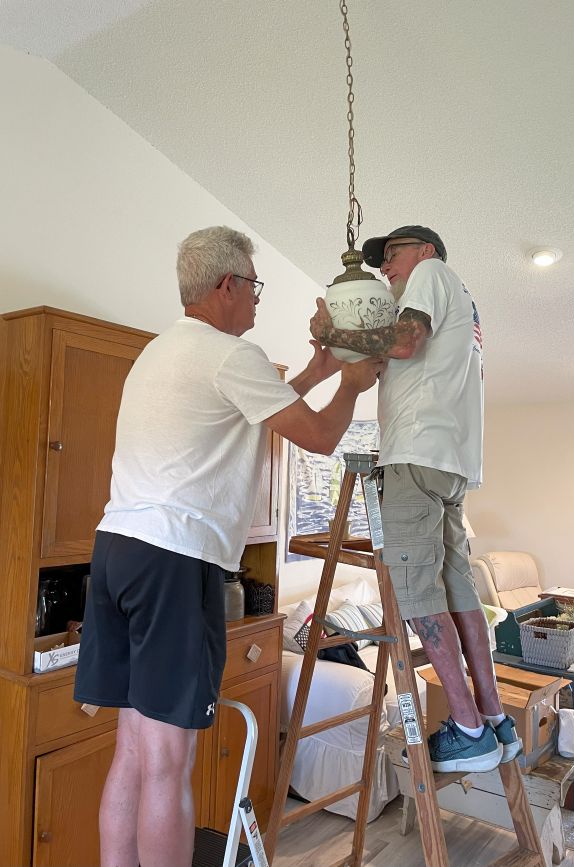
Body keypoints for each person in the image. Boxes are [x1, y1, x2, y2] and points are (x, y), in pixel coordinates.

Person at [73, 225, 384, 867]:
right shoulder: (227, 354)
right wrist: (353, 382)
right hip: (173, 562)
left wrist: (319, 369)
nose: (258, 301)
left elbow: (252, 414)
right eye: (254, 286)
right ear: (226, 286)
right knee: (169, 762)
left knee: (133, 749)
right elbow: (321, 438)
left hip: (118, 554)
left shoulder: (164, 352)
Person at [309, 225, 522, 773]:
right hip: (450, 464)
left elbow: (404, 342)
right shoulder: (464, 307)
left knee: (417, 594)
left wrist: (339, 328)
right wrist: (339, 345)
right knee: (457, 590)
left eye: (393, 257)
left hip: (415, 455)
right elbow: (391, 355)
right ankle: (495, 719)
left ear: (425, 252)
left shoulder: (431, 275)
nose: (387, 270)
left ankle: (468, 730)